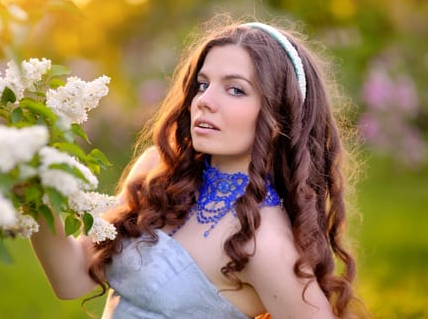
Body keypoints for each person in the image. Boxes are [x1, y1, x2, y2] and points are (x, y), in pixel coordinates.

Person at [31, 17, 365, 318]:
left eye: (235, 89)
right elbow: (71, 279)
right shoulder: (157, 171)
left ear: (279, 118)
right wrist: (34, 192)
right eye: (203, 84)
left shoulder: (264, 241)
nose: (204, 100)